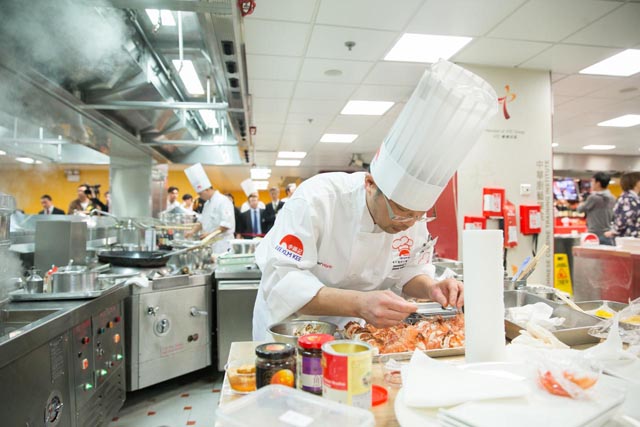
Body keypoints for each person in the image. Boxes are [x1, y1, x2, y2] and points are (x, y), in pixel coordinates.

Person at [252, 60, 498, 340]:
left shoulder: (413, 219)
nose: (409, 224)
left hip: (359, 330)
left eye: (419, 215)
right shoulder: (317, 200)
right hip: (293, 329)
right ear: (370, 185)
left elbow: (408, 272)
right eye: (401, 212)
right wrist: (359, 302)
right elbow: (284, 282)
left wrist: (431, 287)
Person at [183, 163, 235, 254]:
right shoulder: (207, 204)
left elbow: (225, 225)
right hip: (210, 243)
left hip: (222, 244)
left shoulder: (223, 201)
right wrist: (192, 232)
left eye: (200, 194)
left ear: (207, 190)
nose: (200, 196)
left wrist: (210, 234)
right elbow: (201, 221)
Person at [577, 172, 616, 245]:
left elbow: (579, 210)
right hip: (608, 234)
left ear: (598, 183)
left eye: (592, 182)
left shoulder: (594, 198)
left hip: (593, 235)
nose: (591, 184)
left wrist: (581, 201)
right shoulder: (612, 198)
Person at [606, 172, 640, 239]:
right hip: (628, 238)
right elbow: (623, 220)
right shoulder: (628, 199)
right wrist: (614, 231)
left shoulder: (633, 198)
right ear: (636, 183)